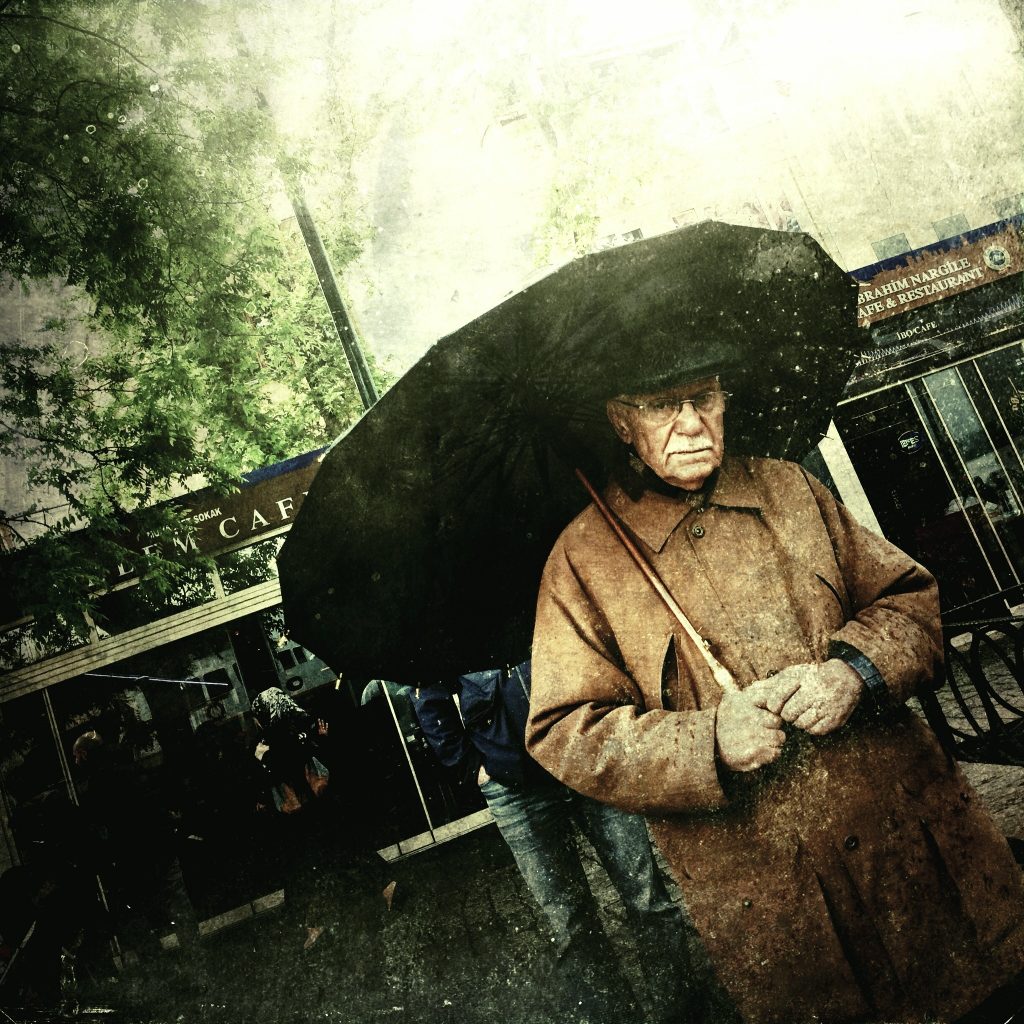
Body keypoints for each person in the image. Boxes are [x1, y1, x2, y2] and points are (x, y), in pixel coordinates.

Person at [526, 373, 1024, 1024]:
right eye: (659, 407)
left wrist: (853, 673)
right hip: (785, 914)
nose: (691, 423)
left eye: (703, 398)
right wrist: (708, 741)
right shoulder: (581, 561)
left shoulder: (791, 487)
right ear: (621, 421)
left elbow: (911, 601)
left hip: (921, 861)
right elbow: (564, 731)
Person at [413, 660, 693, 1024]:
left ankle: (683, 1014)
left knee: (649, 900)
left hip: (589, 758)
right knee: (572, 926)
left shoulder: (537, 600)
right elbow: (426, 695)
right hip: (517, 789)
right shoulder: (444, 624)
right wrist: (474, 768)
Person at [251, 687, 392, 960]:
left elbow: (282, 770)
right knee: (344, 851)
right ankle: (386, 885)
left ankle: (312, 925)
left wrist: (262, 760)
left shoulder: (270, 739)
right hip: (324, 805)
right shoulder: (305, 724)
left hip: (301, 814)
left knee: (301, 871)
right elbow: (326, 756)